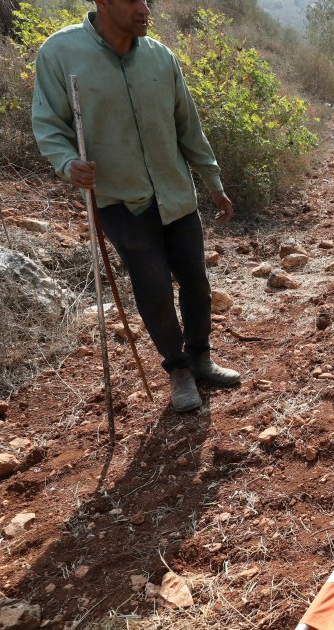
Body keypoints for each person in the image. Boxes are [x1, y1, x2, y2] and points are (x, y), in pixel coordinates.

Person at [31, 0, 239, 413]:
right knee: (154, 288)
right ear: (103, 3)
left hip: (175, 193)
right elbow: (48, 123)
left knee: (196, 283)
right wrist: (67, 163)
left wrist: (212, 181)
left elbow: (187, 125)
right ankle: (178, 368)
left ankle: (200, 357)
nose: (145, 9)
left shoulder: (161, 57)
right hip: (119, 200)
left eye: (147, 1)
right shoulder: (59, 53)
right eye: (133, 1)